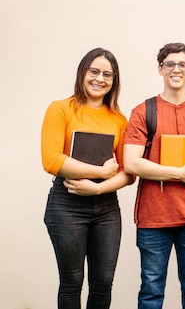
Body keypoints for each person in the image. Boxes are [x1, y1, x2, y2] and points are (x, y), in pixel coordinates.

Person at [123, 42, 185, 309]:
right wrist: (178, 173)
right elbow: (131, 163)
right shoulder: (144, 112)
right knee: (151, 289)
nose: (176, 69)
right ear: (160, 69)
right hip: (154, 218)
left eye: (182, 64)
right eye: (170, 64)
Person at [41, 48, 133, 309]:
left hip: (106, 209)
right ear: (82, 72)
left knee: (103, 282)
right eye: (94, 71)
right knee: (72, 281)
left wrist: (98, 188)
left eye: (108, 74)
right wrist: (101, 172)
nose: (100, 79)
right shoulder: (60, 109)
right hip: (66, 206)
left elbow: (128, 173)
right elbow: (52, 160)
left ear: (114, 81)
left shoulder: (118, 119)